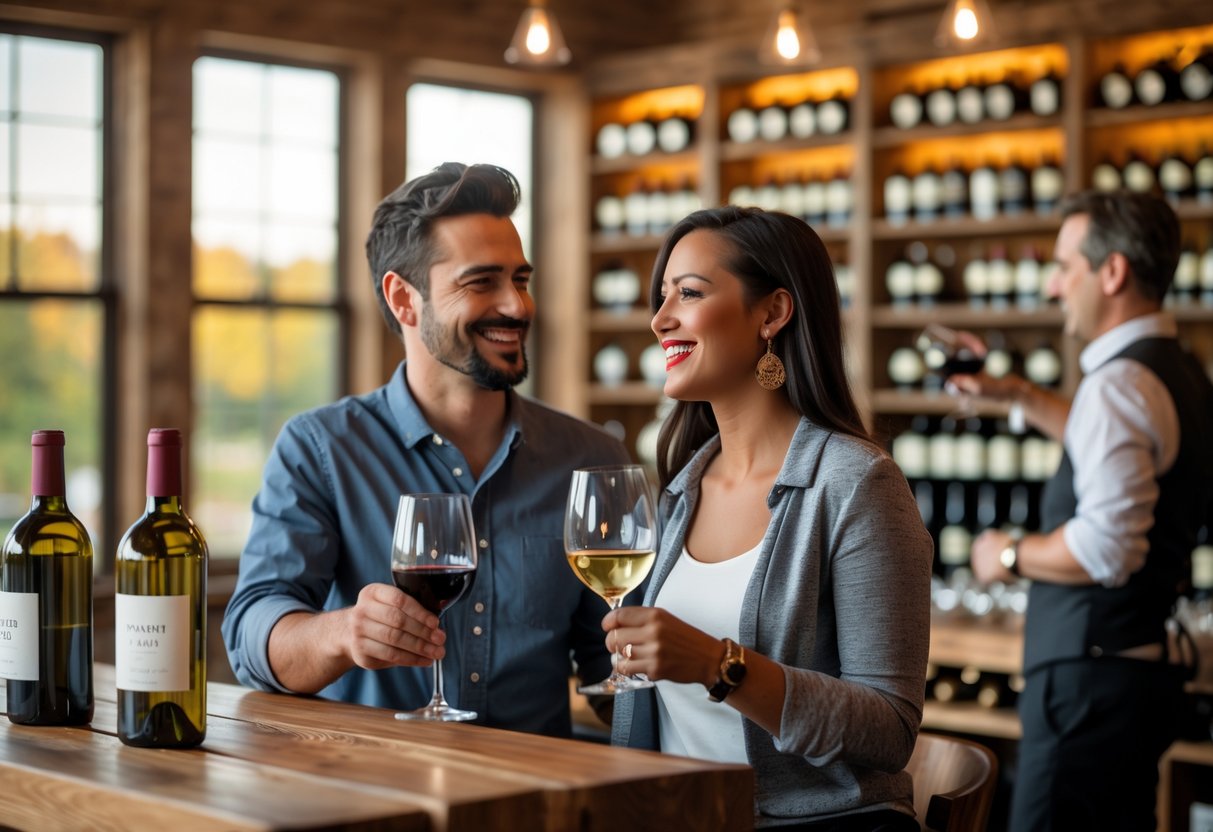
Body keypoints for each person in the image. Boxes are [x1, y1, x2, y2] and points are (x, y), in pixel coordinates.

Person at [222, 162, 630, 737]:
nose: (516, 306)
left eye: (520, 279)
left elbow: (616, 672)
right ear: (404, 300)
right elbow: (253, 636)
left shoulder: (587, 459)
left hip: (538, 802)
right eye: (481, 281)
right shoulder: (320, 450)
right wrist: (343, 633)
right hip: (373, 798)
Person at [606, 205, 934, 831]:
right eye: (661, 296)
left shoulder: (857, 483)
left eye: (690, 293)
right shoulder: (683, 484)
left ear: (773, 313)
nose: (660, 318)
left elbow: (889, 730)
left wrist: (717, 665)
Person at [951, 190, 1213, 831]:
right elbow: (1110, 448)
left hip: (1087, 690)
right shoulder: (1175, 372)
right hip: (1132, 677)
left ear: (1113, 271)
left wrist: (1006, 555)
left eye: (1065, 266)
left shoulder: (1118, 385)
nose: (1053, 286)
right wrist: (1012, 393)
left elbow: (1105, 550)